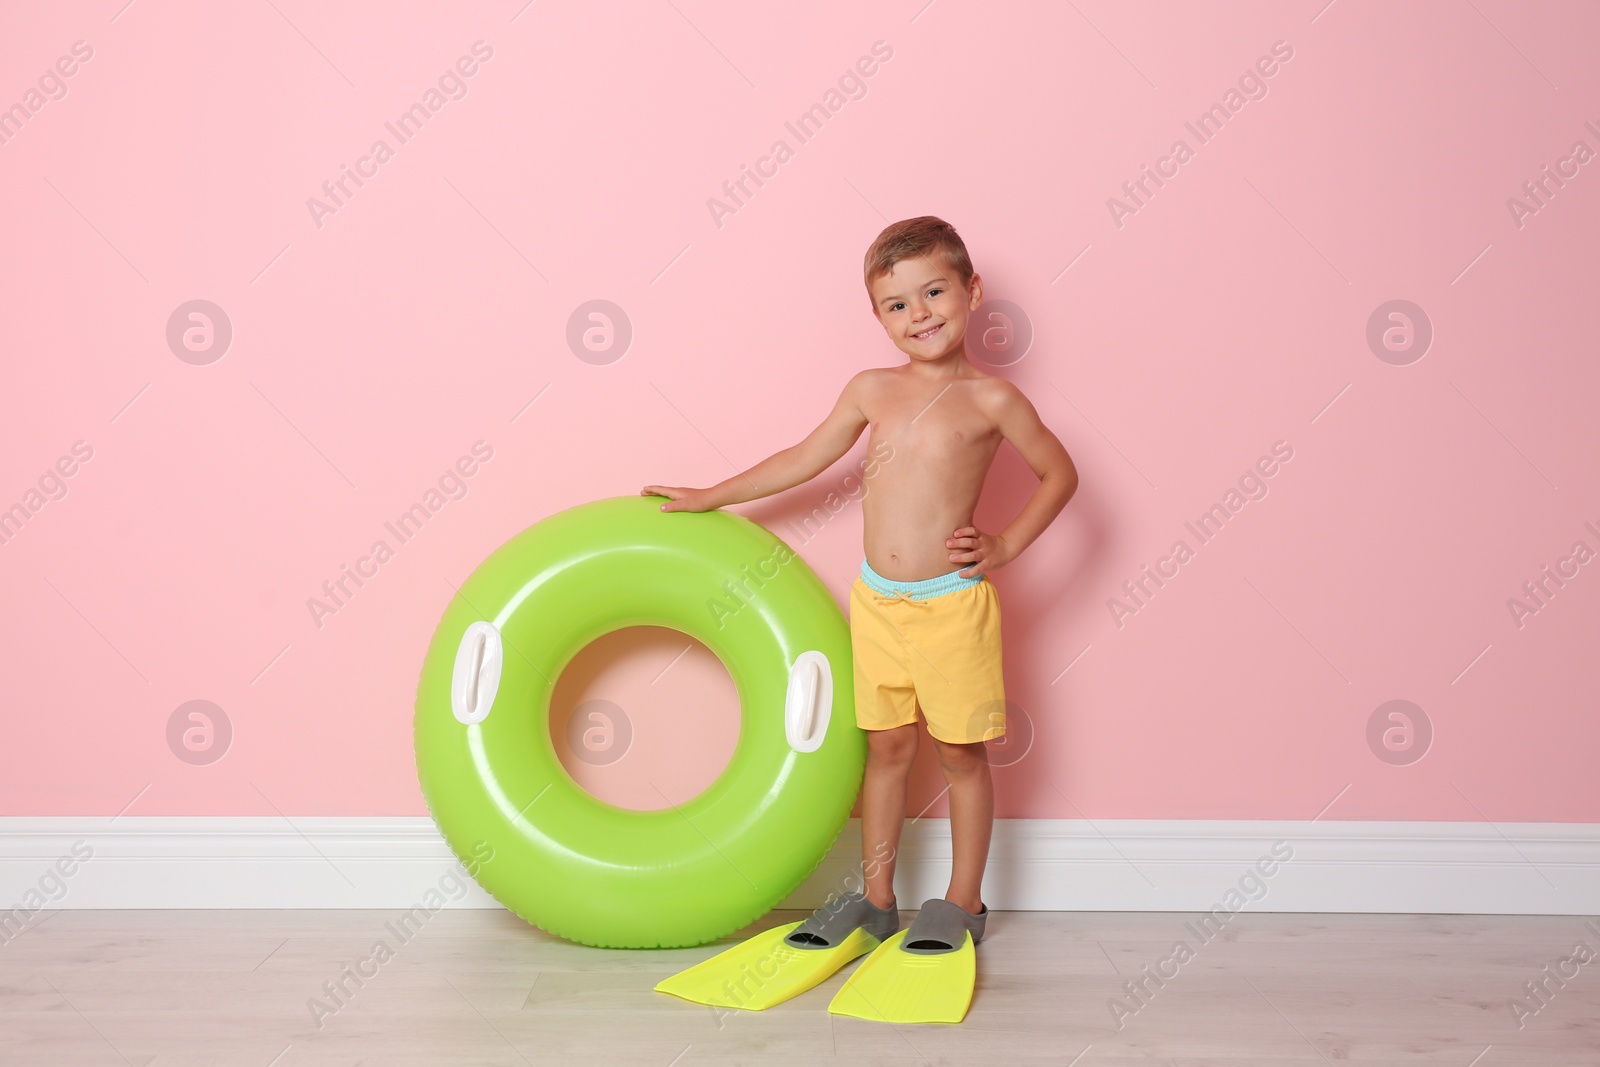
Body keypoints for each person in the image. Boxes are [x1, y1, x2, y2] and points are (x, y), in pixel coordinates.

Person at [644, 215, 1077, 1022]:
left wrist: (1007, 542)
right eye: (896, 304)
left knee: (958, 752)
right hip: (878, 601)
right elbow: (803, 457)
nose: (919, 315)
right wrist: (711, 494)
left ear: (972, 292)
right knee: (885, 749)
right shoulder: (871, 390)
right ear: (878, 316)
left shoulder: (992, 398)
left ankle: (962, 903)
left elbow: (1060, 471)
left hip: (951, 607)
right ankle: (876, 898)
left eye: (934, 292)